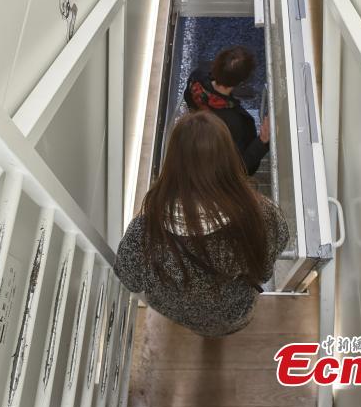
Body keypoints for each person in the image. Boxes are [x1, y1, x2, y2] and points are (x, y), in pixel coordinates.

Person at [114, 111, 289, 338]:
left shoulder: (145, 231)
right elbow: (266, 271)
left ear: (173, 162)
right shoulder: (261, 214)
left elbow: (129, 279)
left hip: (178, 314)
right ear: (228, 158)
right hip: (235, 313)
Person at [184, 45, 270, 175]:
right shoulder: (235, 122)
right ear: (241, 82)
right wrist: (262, 141)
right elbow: (240, 166)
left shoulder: (197, 77)